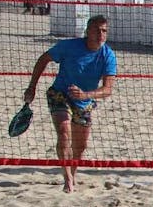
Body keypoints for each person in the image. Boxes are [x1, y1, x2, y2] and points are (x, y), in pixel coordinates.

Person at [23, 15, 117, 193]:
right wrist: (32, 87)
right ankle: (68, 181)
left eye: (104, 31)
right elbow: (43, 59)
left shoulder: (108, 55)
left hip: (84, 100)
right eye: (97, 30)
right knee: (64, 133)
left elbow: (107, 89)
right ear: (87, 31)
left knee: (80, 146)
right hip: (60, 94)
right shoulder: (68, 46)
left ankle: (71, 174)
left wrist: (85, 95)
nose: (100, 34)